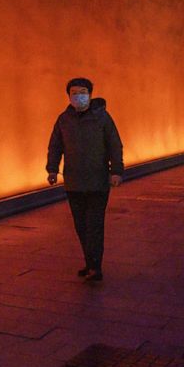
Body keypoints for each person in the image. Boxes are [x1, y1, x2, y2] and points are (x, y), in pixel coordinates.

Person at [46, 77, 124, 281]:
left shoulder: (103, 118)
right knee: (81, 226)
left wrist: (116, 171)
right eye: (74, 93)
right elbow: (55, 145)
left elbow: (115, 145)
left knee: (95, 225)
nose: (78, 96)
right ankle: (90, 263)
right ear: (68, 96)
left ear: (89, 94)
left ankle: (95, 267)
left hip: (97, 182)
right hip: (74, 183)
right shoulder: (64, 119)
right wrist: (52, 169)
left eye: (82, 92)